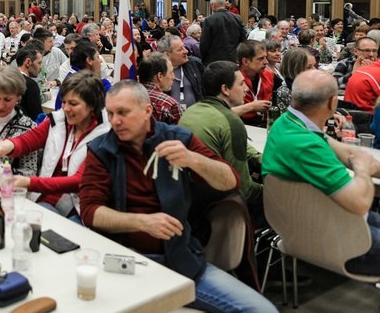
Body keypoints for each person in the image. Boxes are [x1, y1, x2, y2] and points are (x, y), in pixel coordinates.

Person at [80, 80, 276, 312]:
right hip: (124, 261)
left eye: (123, 112)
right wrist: (142, 222)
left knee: (260, 309)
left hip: (179, 259)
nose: (115, 121)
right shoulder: (102, 150)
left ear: (147, 111)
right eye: (110, 113)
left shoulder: (177, 139)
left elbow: (231, 182)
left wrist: (193, 160)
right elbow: (90, 212)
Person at [262, 69, 380, 276]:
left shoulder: (289, 123)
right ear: (333, 103)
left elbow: (344, 151)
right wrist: (362, 169)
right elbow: (360, 202)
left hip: (302, 227)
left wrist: (364, 161)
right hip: (338, 243)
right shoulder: (307, 145)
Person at [0, 72, 109, 221]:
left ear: (92, 105)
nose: (66, 108)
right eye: (64, 102)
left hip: (78, 208)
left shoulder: (103, 136)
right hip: (46, 198)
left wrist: (29, 183)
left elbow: (78, 181)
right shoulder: (59, 120)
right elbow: (31, 138)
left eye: (73, 104)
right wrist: (8, 144)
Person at [179, 61, 264, 212]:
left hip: (188, 198)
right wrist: (271, 191)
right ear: (225, 89)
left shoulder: (191, 111)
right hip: (217, 204)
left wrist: (259, 158)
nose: (246, 89)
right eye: (241, 84)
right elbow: (244, 189)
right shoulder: (231, 121)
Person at [156, 34, 204, 111]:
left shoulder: (195, 64)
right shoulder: (158, 72)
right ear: (167, 54)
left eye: (184, 47)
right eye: (180, 49)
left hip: (197, 114)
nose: (186, 51)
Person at [236, 40, 275, 126]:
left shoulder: (269, 74)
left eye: (266, 57)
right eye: (261, 59)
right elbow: (224, 112)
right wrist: (252, 107)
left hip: (265, 123)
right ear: (245, 61)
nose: (266, 62)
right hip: (241, 124)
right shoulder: (232, 79)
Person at [200, 0, 247, 65]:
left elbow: (204, 43)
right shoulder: (237, 18)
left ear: (213, 5)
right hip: (233, 60)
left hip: (214, 61)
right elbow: (243, 39)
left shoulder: (209, 20)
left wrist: (203, 59)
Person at [137, 53, 181, 125]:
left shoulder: (128, 98)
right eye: (171, 72)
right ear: (159, 76)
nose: (173, 77)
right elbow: (182, 130)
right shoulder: (170, 105)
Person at [275, 48, 316, 112]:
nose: (314, 70)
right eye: (308, 67)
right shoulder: (284, 92)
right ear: (294, 69)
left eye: (314, 65)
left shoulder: (312, 85)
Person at [344, 43, 380, 112]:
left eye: (374, 51)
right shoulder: (346, 63)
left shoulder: (372, 69)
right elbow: (335, 82)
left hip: (353, 113)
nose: (371, 54)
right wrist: (352, 73)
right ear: (355, 51)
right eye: (366, 50)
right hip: (365, 116)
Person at [13, 45, 46, 121]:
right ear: (28, 62)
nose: (41, 67)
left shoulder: (7, 77)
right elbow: (37, 117)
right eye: (39, 63)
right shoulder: (31, 85)